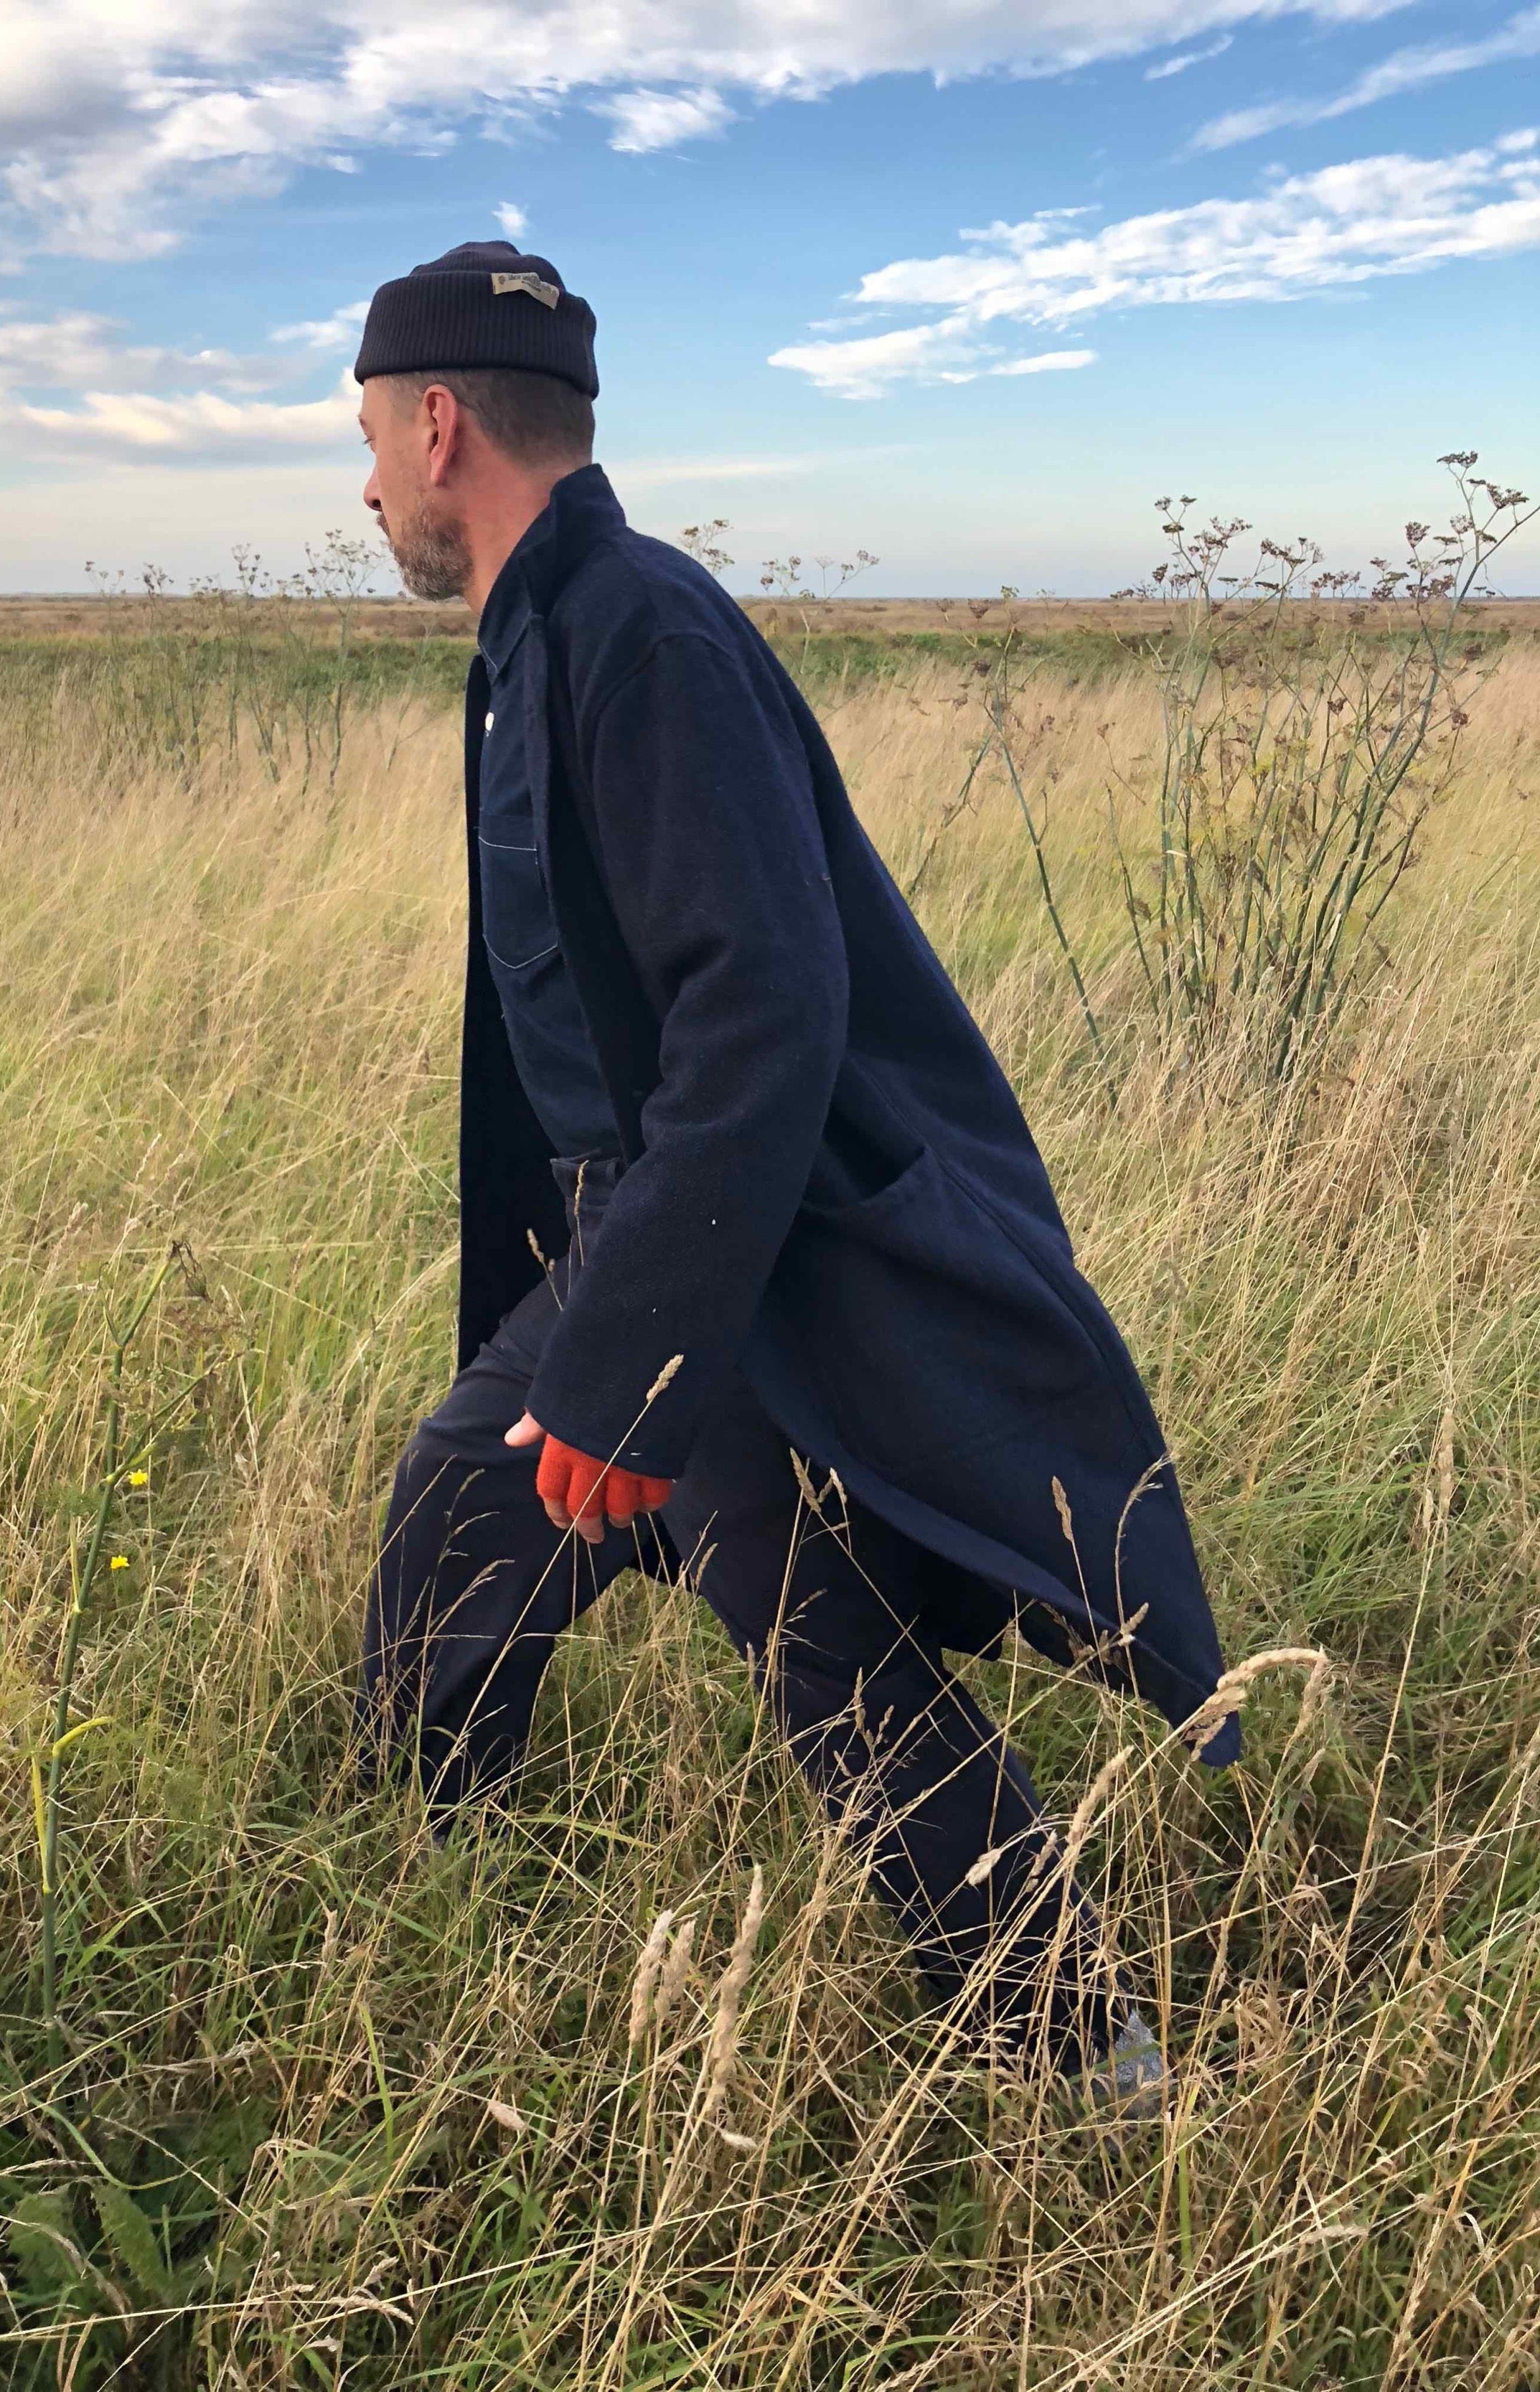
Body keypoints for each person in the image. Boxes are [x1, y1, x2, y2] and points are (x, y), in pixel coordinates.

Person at [352, 240, 1235, 2101]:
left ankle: (1093, 2067)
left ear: (436, 428)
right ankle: (436, 1895)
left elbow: (763, 1017)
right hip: (640, 1239)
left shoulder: (641, 637)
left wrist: (635, 1365)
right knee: (460, 1516)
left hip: (727, 1255)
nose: (362, 489)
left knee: (832, 1660)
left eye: (366, 442)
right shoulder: (543, 639)